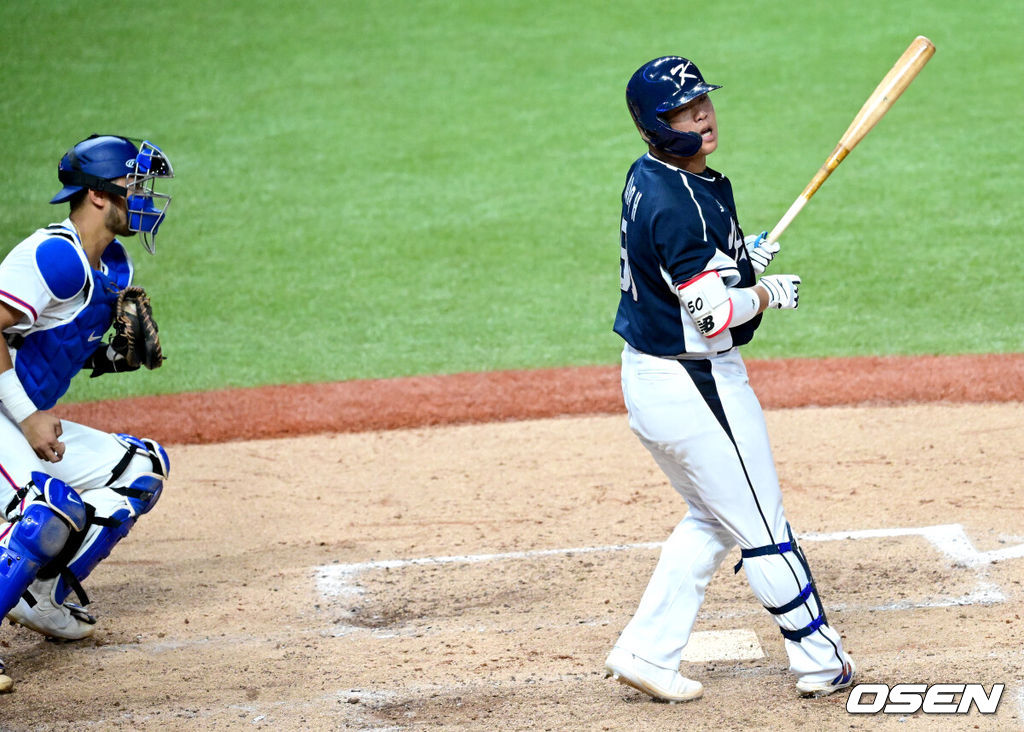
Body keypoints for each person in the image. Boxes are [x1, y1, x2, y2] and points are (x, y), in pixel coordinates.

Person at [603, 57, 855, 702]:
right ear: (656, 125)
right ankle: (819, 661)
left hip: (654, 378)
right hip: (697, 387)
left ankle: (647, 652)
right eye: (686, 111)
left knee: (714, 518)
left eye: (704, 103)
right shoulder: (678, 204)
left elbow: (689, 268)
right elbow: (712, 313)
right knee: (764, 530)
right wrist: (764, 292)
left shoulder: (654, 176)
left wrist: (742, 258)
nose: (703, 117)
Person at [0, 134, 174, 691]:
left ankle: (41, 598)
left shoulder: (111, 267)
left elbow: (44, 345)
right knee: (48, 511)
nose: (144, 197)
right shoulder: (56, 258)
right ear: (98, 195)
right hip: (9, 416)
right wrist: (29, 416)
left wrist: (104, 355)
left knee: (140, 470)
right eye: (135, 184)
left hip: (12, 414)